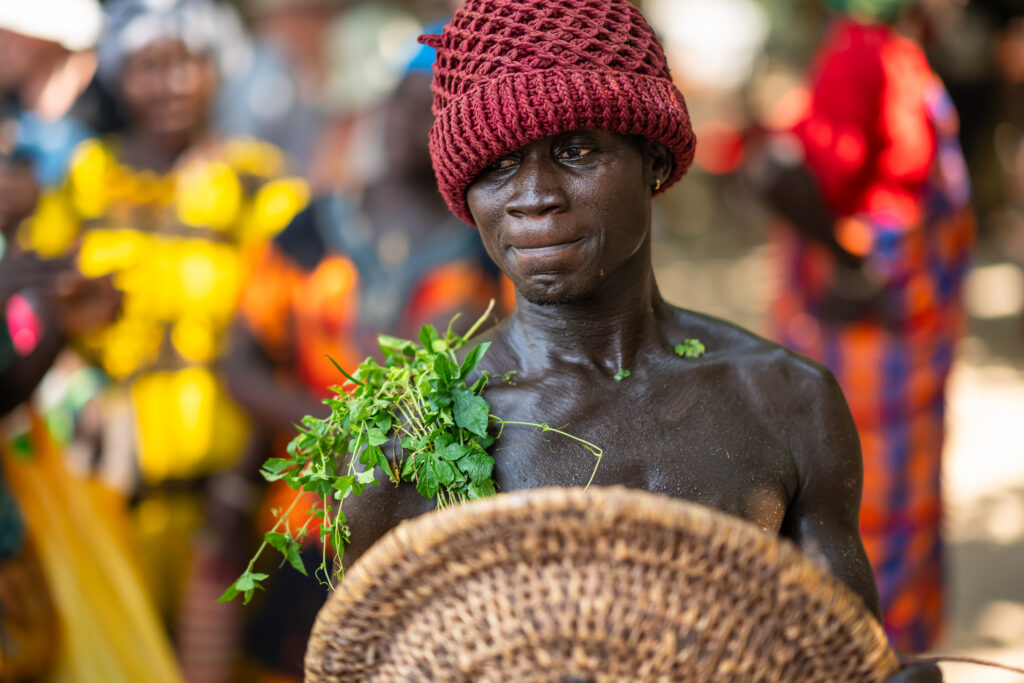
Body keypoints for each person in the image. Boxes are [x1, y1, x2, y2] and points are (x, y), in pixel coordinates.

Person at [324, 1, 940, 680]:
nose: (534, 196)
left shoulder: (786, 402)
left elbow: (842, 656)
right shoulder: (413, 439)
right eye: (498, 164)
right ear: (464, 192)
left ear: (653, 158)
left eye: (576, 149)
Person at [183, 41, 503, 682]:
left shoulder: (491, 246)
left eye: (440, 113)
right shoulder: (312, 227)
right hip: (301, 514)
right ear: (383, 108)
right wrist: (331, 425)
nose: (417, 124)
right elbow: (240, 360)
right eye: (406, 106)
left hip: (425, 527)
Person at [17, 0, 310, 638]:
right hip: (101, 495)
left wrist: (241, 487)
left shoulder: (260, 183)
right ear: (120, 74)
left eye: (186, 63)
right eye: (147, 66)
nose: (168, 84)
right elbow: (34, 312)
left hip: (231, 498)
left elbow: (283, 340)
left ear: (217, 69)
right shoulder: (85, 179)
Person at [743, 0, 974, 652]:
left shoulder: (879, 52)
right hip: (875, 349)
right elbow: (786, 176)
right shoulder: (864, 53)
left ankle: (874, 652)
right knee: (861, 521)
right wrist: (852, 265)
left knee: (877, 518)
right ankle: (869, 655)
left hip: (892, 344)